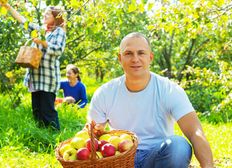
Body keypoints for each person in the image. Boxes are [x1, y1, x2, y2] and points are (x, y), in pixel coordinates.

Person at [88, 32, 214, 168]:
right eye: (128, 53)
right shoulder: (105, 92)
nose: (135, 59)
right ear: (120, 58)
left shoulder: (169, 90)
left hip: (158, 157)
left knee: (178, 145)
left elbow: (195, 132)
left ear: (150, 57)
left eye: (141, 53)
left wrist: (208, 166)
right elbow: (92, 136)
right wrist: (95, 131)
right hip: (121, 159)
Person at [0, 2, 66, 130]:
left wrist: (42, 42)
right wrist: (8, 7)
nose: (45, 15)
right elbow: (23, 21)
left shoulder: (59, 32)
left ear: (55, 17)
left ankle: (54, 138)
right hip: (35, 78)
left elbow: (58, 50)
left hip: (47, 79)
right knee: (37, 112)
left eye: (48, 13)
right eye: (45, 13)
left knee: (48, 112)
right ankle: (41, 137)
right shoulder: (41, 30)